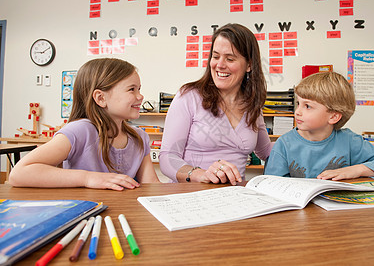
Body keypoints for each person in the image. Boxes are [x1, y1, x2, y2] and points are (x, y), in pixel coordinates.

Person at [9, 58, 160, 190]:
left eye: (139, 89)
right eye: (131, 89)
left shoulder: (139, 137)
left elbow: (151, 183)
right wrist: (88, 178)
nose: (140, 96)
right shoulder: (80, 131)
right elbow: (19, 173)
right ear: (100, 98)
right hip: (85, 214)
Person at [159, 23, 273, 185]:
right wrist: (201, 174)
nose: (219, 65)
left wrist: (306, 139)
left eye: (230, 58)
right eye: (216, 56)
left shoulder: (251, 104)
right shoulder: (189, 96)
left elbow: (265, 151)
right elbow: (168, 157)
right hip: (189, 194)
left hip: (233, 195)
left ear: (249, 65)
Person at [264, 71, 374, 180]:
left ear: (333, 116)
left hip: (339, 215)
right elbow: (269, 185)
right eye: (298, 104)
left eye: (307, 106)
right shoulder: (284, 144)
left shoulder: (350, 141)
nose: (298, 112)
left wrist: (357, 170)